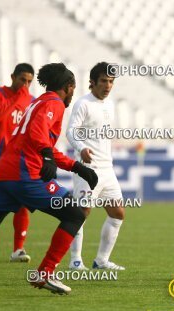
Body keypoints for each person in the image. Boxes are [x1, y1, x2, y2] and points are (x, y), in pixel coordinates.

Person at [0, 63, 98, 295]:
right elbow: (39, 132)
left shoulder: (37, 101)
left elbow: (41, 140)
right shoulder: (54, 103)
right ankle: (45, 272)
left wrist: (76, 166)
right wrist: (47, 156)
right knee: (74, 214)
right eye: (73, 88)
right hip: (24, 174)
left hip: (2, 173)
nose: (73, 94)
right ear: (68, 87)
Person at [66, 62, 125, 271]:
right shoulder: (83, 104)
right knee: (81, 213)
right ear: (92, 82)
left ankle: (101, 260)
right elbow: (71, 131)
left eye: (111, 81)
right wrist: (81, 148)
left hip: (107, 169)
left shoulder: (110, 104)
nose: (108, 86)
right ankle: (75, 260)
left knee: (118, 213)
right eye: (103, 81)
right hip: (87, 169)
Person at [0, 63, 35, 263]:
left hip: (19, 162)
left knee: (23, 203)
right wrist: (18, 98)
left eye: (29, 81)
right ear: (12, 77)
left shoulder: (32, 102)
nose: (25, 85)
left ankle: (18, 250)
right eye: (22, 80)